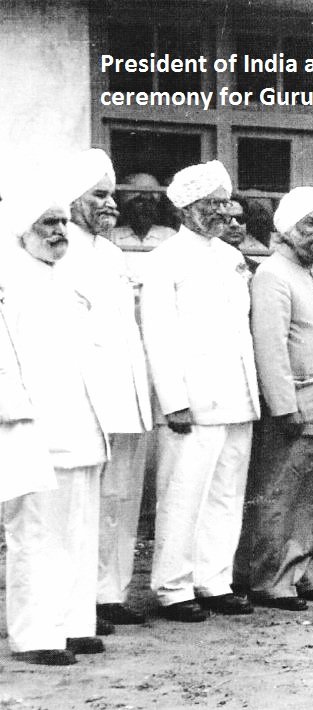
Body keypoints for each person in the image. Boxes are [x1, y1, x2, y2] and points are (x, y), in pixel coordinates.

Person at [141, 160, 260, 622]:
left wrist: (252, 394)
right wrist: (174, 402)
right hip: (192, 402)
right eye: (211, 204)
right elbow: (158, 335)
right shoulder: (165, 260)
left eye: (224, 203)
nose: (222, 212)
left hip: (236, 397)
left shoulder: (230, 258)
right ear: (186, 208)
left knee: (226, 494)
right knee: (183, 495)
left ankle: (214, 581)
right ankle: (174, 587)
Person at [0, 186, 107, 665]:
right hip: (34, 427)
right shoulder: (9, 281)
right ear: (25, 230)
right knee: (36, 533)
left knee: (78, 531)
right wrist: (15, 416)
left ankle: (73, 623)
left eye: (63, 222)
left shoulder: (65, 279)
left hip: (81, 424)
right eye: (49, 223)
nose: (60, 231)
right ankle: (36, 635)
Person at [245, 187, 313, 610]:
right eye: (310, 224)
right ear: (288, 230)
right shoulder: (273, 274)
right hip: (298, 407)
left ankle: (306, 571)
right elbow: (271, 348)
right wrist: (284, 406)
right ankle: (272, 579)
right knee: (283, 497)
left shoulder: (310, 273)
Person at [58, 149, 154, 626]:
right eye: (99, 195)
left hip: (126, 396)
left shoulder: (114, 255)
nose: (111, 204)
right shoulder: (61, 252)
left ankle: (110, 593)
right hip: (87, 399)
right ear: (74, 199)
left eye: (112, 195)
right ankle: (77, 602)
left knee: (122, 499)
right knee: (86, 506)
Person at [110, 172, 175, 249]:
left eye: (151, 202)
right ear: (128, 206)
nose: (146, 207)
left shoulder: (169, 235)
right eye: (139, 201)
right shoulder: (113, 236)